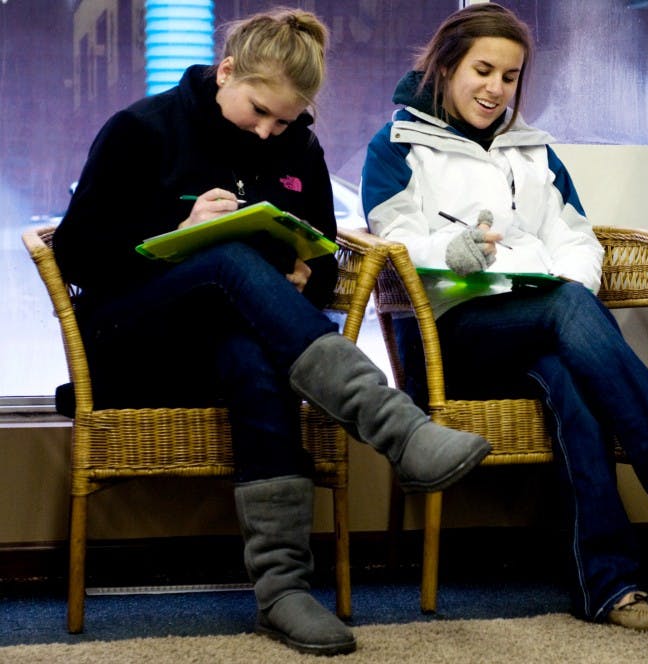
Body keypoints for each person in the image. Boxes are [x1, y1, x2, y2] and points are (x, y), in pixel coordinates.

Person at [52, 8, 490, 657]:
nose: (267, 132)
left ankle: (283, 593)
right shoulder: (143, 130)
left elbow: (317, 269)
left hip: (231, 342)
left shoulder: (299, 149)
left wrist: (299, 280)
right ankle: (396, 428)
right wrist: (172, 236)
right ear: (225, 71)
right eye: (257, 111)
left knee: (253, 351)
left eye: (282, 121)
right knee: (226, 261)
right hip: (130, 339)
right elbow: (76, 254)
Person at [361, 3, 648, 633]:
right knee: (569, 310)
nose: (496, 89)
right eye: (483, 71)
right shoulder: (397, 145)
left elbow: (577, 238)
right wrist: (454, 255)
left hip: (536, 325)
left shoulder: (534, 150)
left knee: (572, 379)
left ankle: (611, 590)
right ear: (445, 67)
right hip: (450, 336)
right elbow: (392, 242)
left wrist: (564, 296)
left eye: (510, 76)